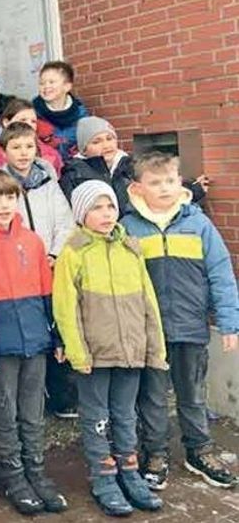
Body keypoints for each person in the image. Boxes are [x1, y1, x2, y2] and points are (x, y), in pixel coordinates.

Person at [121, 152, 239, 491]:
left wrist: (229, 323)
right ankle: (155, 453)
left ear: (180, 183)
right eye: (155, 182)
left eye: (171, 181)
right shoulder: (128, 227)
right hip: (149, 333)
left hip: (191, 327)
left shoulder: (198, 223)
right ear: (138, 188)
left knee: (192, 394)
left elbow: (221, 274)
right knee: (153, 396)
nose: (164, 188)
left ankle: (199, 450)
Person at [0, 170, 67, 515]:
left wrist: (56, 335)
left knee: (33, 414)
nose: (4, 205)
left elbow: (49, 292)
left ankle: (37, 472)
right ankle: (15, 477)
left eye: (10, 198)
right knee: (5, 413)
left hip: (35, 341)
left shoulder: (32, 241)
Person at [53, 180, 166, 516]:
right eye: (96, 207)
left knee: (125, 413)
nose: (105, 214)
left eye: (110, 206)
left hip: (131, 350)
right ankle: (103, 477)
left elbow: (149, 301)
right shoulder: (73, 252)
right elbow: (65, 308)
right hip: (95, 354)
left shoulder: (131, 248)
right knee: (96, 416)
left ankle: (129, 473)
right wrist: (77, 351)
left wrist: (154, 347)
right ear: (81, 214)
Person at [0, 121, 77, 419]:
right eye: (16, 147)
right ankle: (30, 398)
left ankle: (61, 393)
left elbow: (64, 222)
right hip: (16, 271)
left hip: (49, 264)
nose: (23, 153)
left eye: (29, 146)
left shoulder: (48, 181)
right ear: (3, 151)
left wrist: (54, 253)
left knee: (55, 324)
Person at [59, 116, 135, 214]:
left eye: (109, 138)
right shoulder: (74, 175)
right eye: (96, 142)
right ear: (84, 150)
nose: (106, 146)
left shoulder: (129, 167)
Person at [0, 98, 63, 174]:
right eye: (23, 120)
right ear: (6, 122)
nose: (29, 124)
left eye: (33, 121)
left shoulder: (51, 153)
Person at [33, 61, 89, 161]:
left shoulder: (81, 114)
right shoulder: (32, 113)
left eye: (51, 82)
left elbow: (87, 144)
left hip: (75, 168)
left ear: (67, 86)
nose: (46, 86)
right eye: (42, 83)